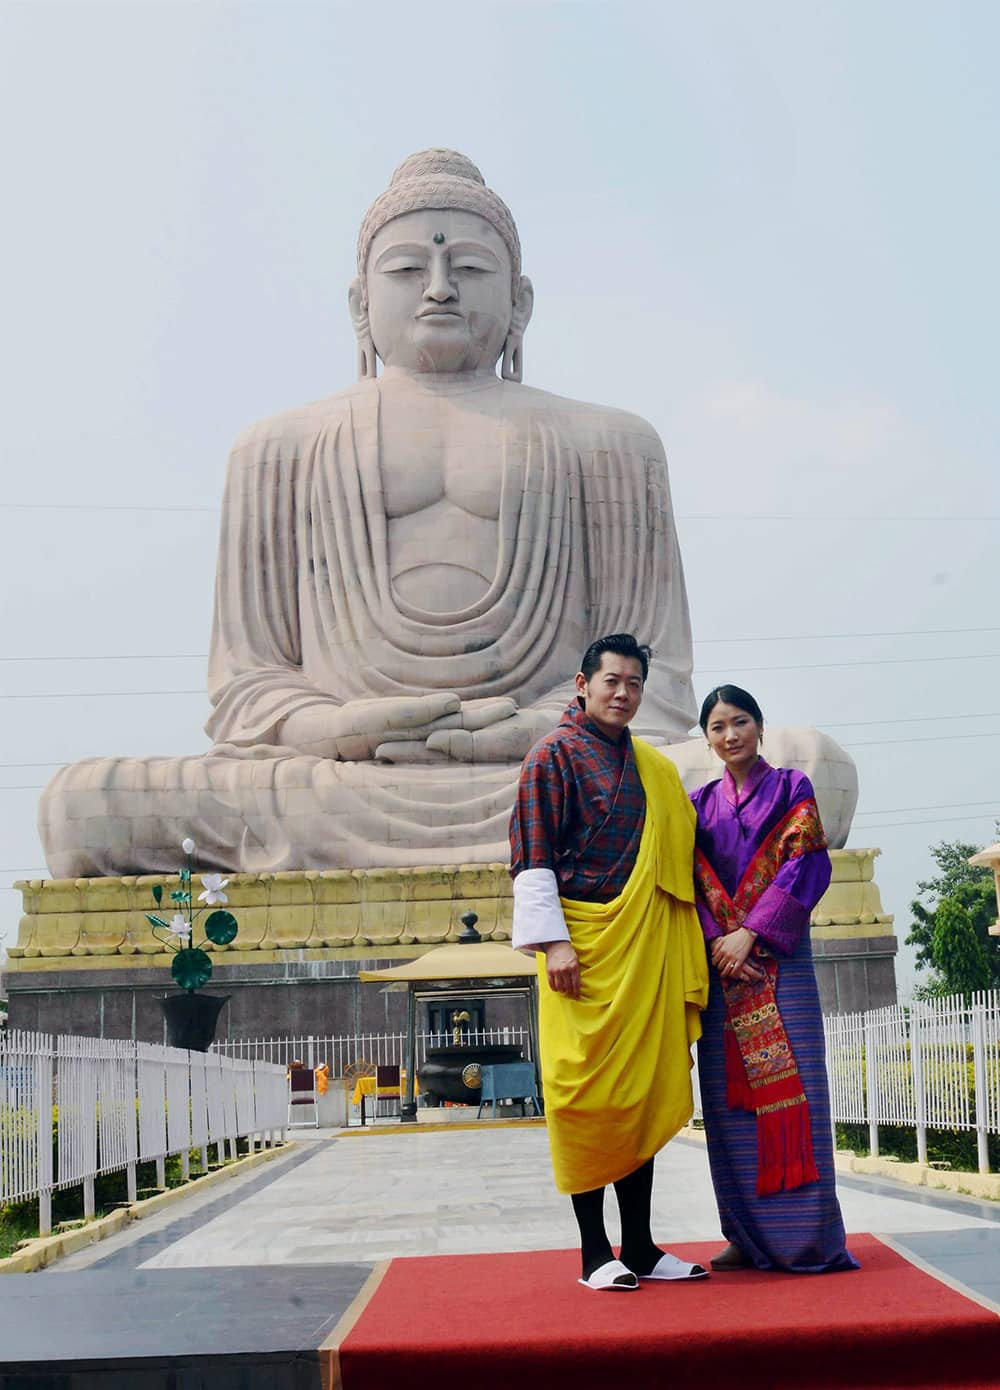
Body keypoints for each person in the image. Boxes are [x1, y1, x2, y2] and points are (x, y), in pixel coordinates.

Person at [40, 149, 698, 878]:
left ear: (521, 302)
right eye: (408, 270)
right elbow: (249, 686)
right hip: (336, 777)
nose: (440, 290)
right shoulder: (277, 447)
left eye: (471, 269)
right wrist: (340, 727)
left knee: (796, 769)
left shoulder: (611, 442)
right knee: (83, 807)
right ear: (360, 304)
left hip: (548, 770)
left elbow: (655, 677)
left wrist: (529, 731)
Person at [510, 633, 709, 1291]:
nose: (622, 694)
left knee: (640, 1094)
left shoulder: (653, 764)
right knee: (586, 1098)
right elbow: (532, 854)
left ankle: (643, 1246)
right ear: (582, 683)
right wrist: (555, 942)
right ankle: (596, 1252)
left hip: (644, 946)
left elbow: (682, 848)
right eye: (611, 681)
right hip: (583, 950)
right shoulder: (551, 758)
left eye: (633, 684)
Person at [691, 685, 857, 1273]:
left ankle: (805, 1237)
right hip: (722, 972)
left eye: (739, 722)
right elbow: (690, 882)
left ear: (760, 727)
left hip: (778, 965)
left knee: (795, 1099)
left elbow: (806, 863)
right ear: (706, 737)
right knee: (729, 1108)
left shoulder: (793, 789)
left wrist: (750, 935)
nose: (729, 735)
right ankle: (746, 1234)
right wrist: (718, 941)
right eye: (717, 727)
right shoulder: (697, 804)